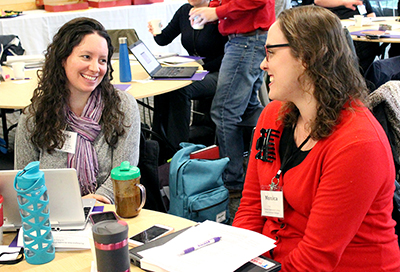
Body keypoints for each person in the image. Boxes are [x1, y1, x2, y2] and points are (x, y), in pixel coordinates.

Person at [233, 6, 400, 271]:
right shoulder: (273, 116)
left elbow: (317, 258)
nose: (263, 63)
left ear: (307, 57)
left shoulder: (358, 143)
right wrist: (235, 260)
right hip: (274, 261)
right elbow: (252, 206)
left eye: (271, 52)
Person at [14, 17, 141, 204]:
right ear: (63, 58)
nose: (95, 68)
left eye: (102, 60)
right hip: (50, 213)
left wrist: (89, 203)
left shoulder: (122, 107)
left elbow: (124, 176)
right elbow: (23, 183)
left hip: (104, 210)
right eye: (86, 57)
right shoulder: (35, 116)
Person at [188, 0, 275, 192]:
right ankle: (260, 167)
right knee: (248, 109)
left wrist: (217, 12)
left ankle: (232, 180)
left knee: (225, 112)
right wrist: (213, 10)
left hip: (246, 41)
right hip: (245, 40)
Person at [148, 0, 227, 160]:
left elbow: (227, 55)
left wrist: (199, 68)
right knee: (163, 84)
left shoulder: (218, 12)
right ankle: (159, 143)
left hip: (219, 71)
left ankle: (178, 149)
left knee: (182, 88)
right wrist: (155, 31)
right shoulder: (185, 11)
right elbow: (164, 39)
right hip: (198, 69)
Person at [314, 0, 381, 74]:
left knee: (372, 45)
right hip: (337, 28)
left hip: (361, 29)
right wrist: (345, 2)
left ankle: (364, 78)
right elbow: (318, 1)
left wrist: (373, 24)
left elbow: (370, 13)